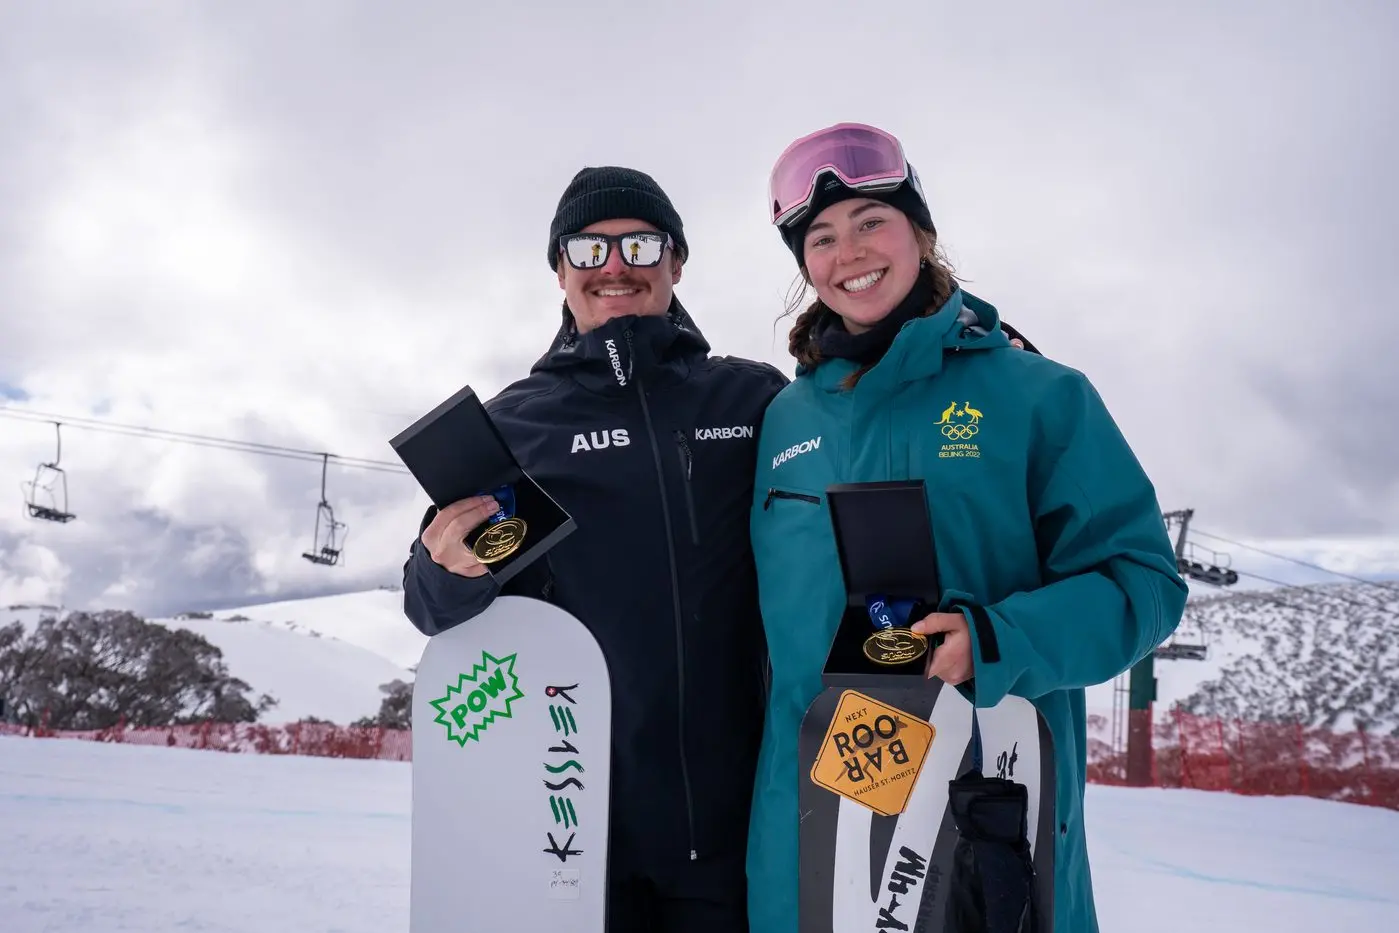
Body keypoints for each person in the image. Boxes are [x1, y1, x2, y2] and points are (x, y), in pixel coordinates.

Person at [744, 122, 1188, 932]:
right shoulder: (784, 420)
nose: (849, 252)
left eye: (871, 221)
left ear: (919, 233)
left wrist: (995, 638)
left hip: (986, 817)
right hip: (814, 834)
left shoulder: (1036, 394)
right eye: (821, 238)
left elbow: (1144, 584)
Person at [401, 166, 789, 932]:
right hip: (576, 835)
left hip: (742, 824)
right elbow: (430, 607)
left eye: (639, 245)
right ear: (559, 270)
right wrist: (444, 568)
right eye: (587, 248)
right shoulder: (517, 426)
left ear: (676, 262)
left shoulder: (754, 399)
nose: (614, 265)